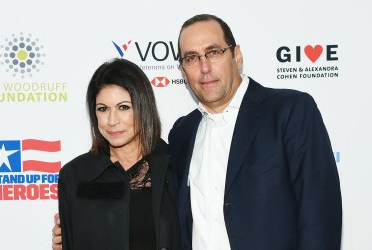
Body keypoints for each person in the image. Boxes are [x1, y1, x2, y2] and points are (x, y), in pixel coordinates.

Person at [53, 14, 342, 250]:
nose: (204, 67)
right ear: (182, 69)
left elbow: (320, 216)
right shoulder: (183, 133)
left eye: (213, 52)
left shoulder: (290, 110)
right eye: (191, 58)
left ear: (237, 55)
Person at [56, 58, 181, 250]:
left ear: (143, 107)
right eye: (103, 109)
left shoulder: (175, 167)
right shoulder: (74, 175)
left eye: (124, 107)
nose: (112, 120)